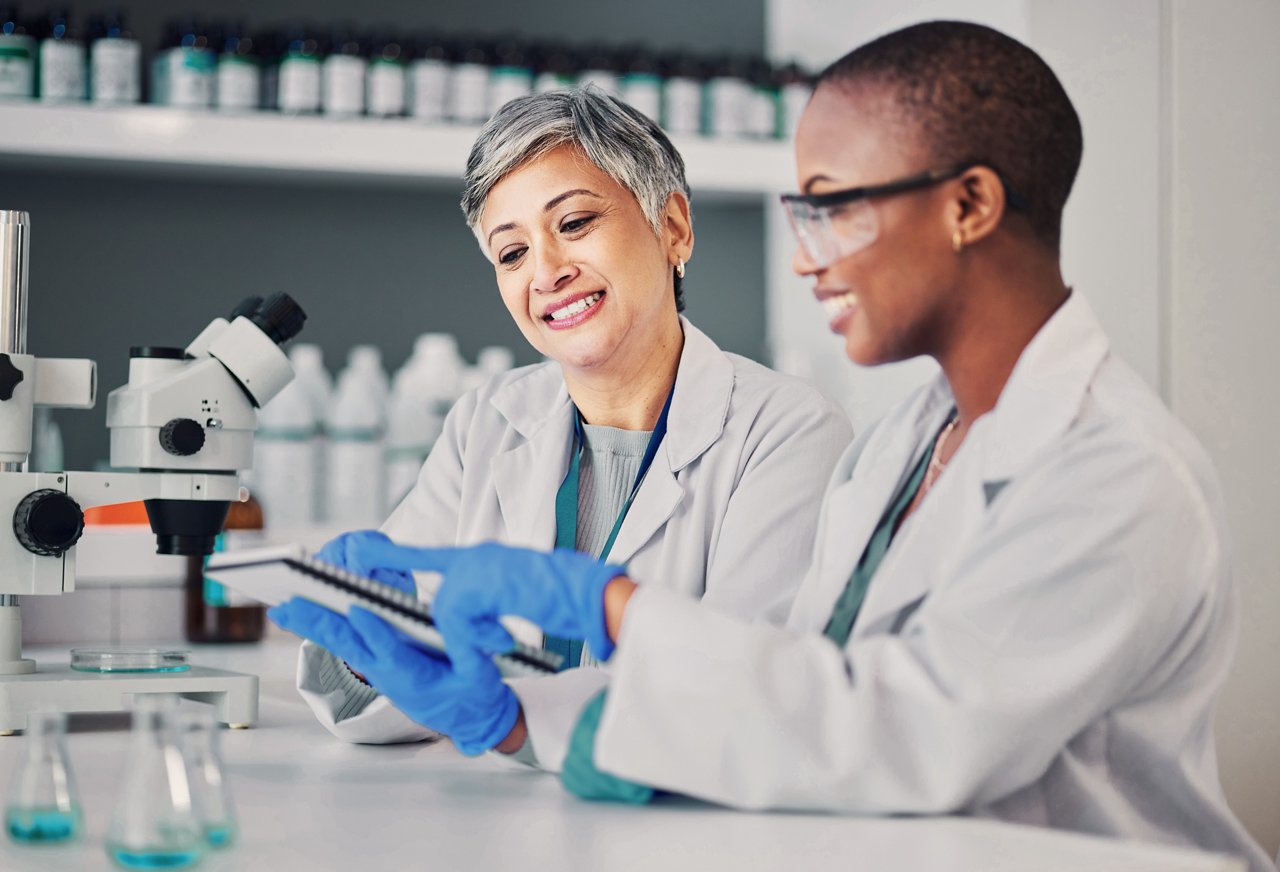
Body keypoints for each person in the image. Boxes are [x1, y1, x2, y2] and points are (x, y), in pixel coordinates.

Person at [328, 21, 1274, 871]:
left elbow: (899, 735)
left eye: (835, 206)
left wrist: (613, 612)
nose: (804, 256)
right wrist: (514, 720)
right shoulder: (905, 444)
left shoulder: (1115, 472)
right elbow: (789, 694)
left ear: (969, 205)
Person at [270, 86, 852, 764]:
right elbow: (374, 700)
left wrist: (513, 718)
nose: (546, 272)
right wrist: (369, 644)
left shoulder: (787, 432)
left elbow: (741, 695)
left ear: (674, 228)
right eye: (510, 253)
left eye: (574, 223)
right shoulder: (486, 425)